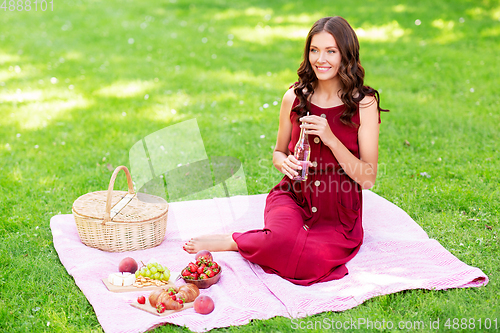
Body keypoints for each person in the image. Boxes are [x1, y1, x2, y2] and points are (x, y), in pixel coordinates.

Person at [183, 16, 388, 285]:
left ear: (346, 55)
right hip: (294, 196)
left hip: (337, 209)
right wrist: (284, 164)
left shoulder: (364, 104)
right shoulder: (293, 97)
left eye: (331, 51)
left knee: (311, 260)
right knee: (281, 240)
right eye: (314, 50)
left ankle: (240, 242)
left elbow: (368, 178)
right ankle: (238, 240)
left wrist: (331, 139)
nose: (320, 59)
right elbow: (278, 153)